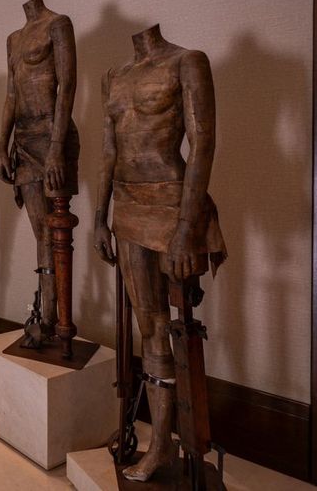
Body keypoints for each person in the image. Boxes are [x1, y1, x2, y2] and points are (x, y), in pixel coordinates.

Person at [93, 24, 226, 482]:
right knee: (148, 326)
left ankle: (185, 441)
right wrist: (99, 216)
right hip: (128, 206)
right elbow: (108, 150)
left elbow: (203, 141)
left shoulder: (186, 61)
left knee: (181, 327)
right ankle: (161, 445)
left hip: (172, 204)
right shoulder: (114, 76)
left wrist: (187, 229)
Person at [0, 0, 80, 353]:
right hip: (25, 140)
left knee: (59, 232)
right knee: (41, 233)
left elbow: (67, 85)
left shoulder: (57, 25)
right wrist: (2, 145)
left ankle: (61, 323)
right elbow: (11, 95)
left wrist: (57, 148)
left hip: (52, 135)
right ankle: (46, 317)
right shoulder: (14, 39)